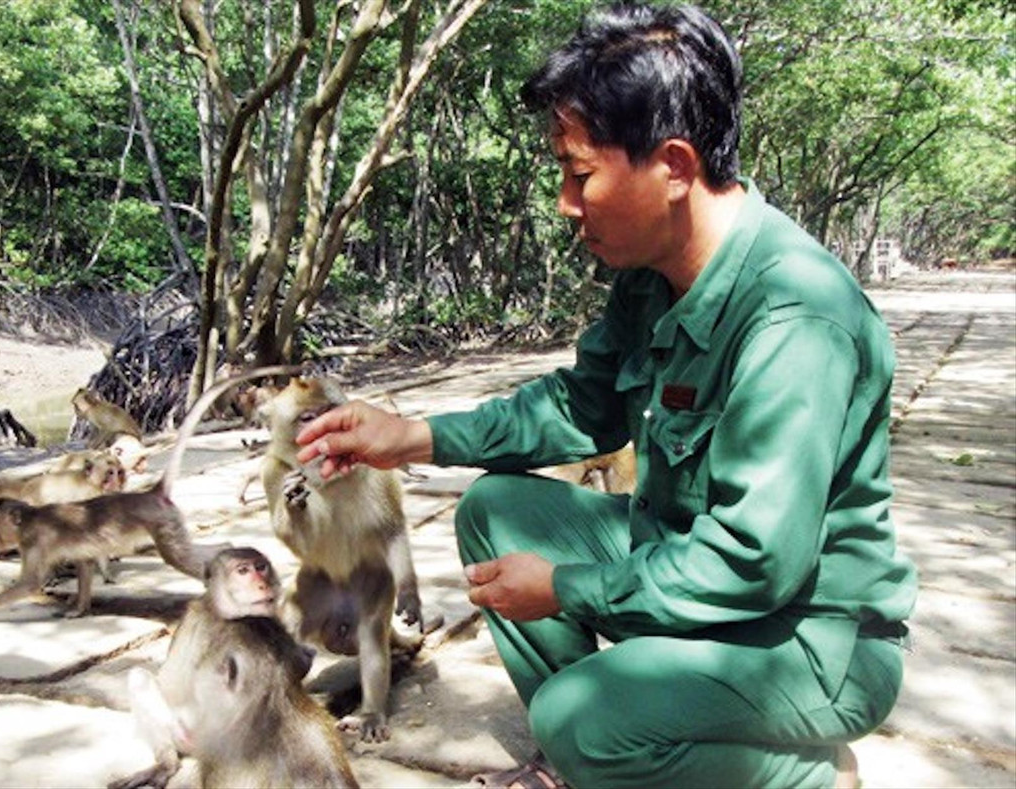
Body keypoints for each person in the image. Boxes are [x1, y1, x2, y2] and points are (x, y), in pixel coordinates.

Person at [294, 3, 917, 788]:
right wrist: (409, 434)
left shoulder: (795, 317)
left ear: (676, 166)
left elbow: (755, 559)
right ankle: (603, 749)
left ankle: (802, 774)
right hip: (697, 564)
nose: (565, 201)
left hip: (810, 637)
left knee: (579, 713)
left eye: (579, 173)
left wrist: (563, 587)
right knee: (496, 511)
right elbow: (577, 406)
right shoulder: (651, 276)